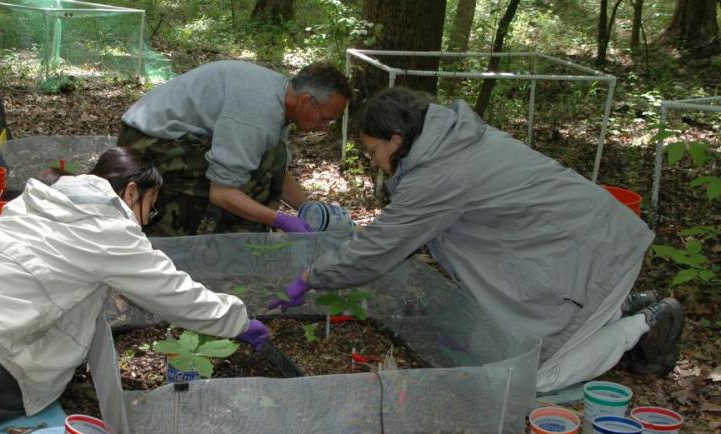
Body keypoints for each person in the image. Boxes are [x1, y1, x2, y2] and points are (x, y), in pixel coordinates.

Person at [269, 87, 684, 393]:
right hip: (581, 248)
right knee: (510, 340)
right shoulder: (450, 142)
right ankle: (621, 307)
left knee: (534, 378)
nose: (373, 161)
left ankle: (645, 324)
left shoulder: (440, 173)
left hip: (593, 257)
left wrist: (312, 275)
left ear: (397, 140)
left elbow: (382, 246)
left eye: (373, 150)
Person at [0, 147, 271, 434]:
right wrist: (238, 320)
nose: (149, 218)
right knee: (31, 390)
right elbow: (176, 295)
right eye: (152, 207)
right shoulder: (111, 231)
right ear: (132, 193)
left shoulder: (38, 199)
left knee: (6, 348)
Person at [118, 60, 351, 236]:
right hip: (145, 142)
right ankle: (201, 239)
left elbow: (277, 167)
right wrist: (278, 220)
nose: (324, 127)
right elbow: (222, 192)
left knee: (270, 159)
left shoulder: (279, 95)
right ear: (306, 101)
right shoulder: (258, 114)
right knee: (248, 179)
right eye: (325, 119)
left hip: (165, 135)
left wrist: (310, 209)